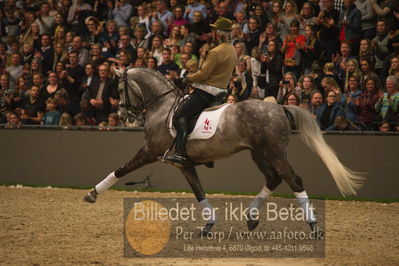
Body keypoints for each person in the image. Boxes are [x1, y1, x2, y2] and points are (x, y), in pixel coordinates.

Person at [163, 17, 238, 167]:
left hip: (206, 92)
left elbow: (203, 75)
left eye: (214, 31)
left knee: (180, 115)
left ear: (219, 33)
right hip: (221, 92)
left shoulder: (216, 52)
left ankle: (179, 153)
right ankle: (206, 156)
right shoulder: (232, 50)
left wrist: (188, 77)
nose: (211, 33)